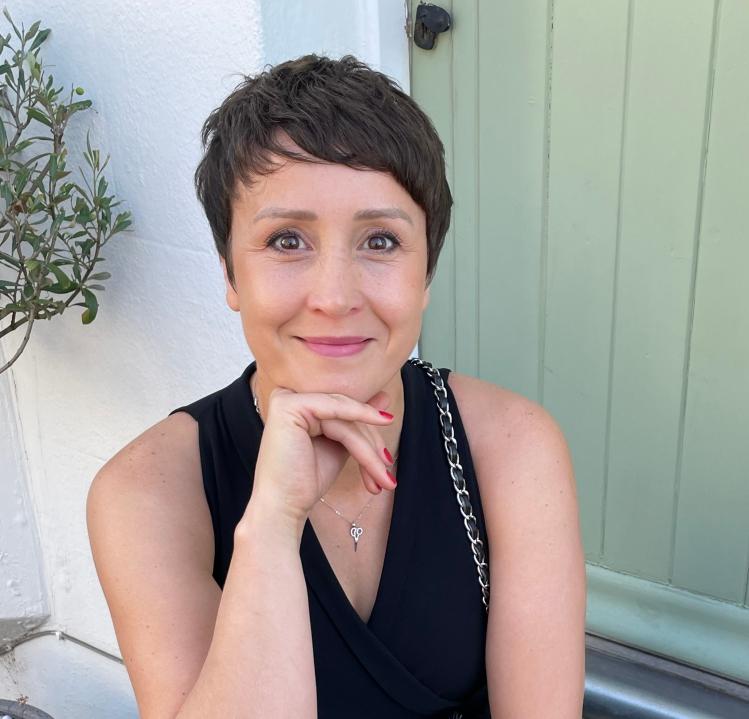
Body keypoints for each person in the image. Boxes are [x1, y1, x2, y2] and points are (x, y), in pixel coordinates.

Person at [86, 54, 586, 718]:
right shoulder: (149, 493)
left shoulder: (512, 447)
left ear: (426, 274)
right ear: (231, 275)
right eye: (287, 240)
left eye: (380, 241)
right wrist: (272, 523)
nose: (334, 296)